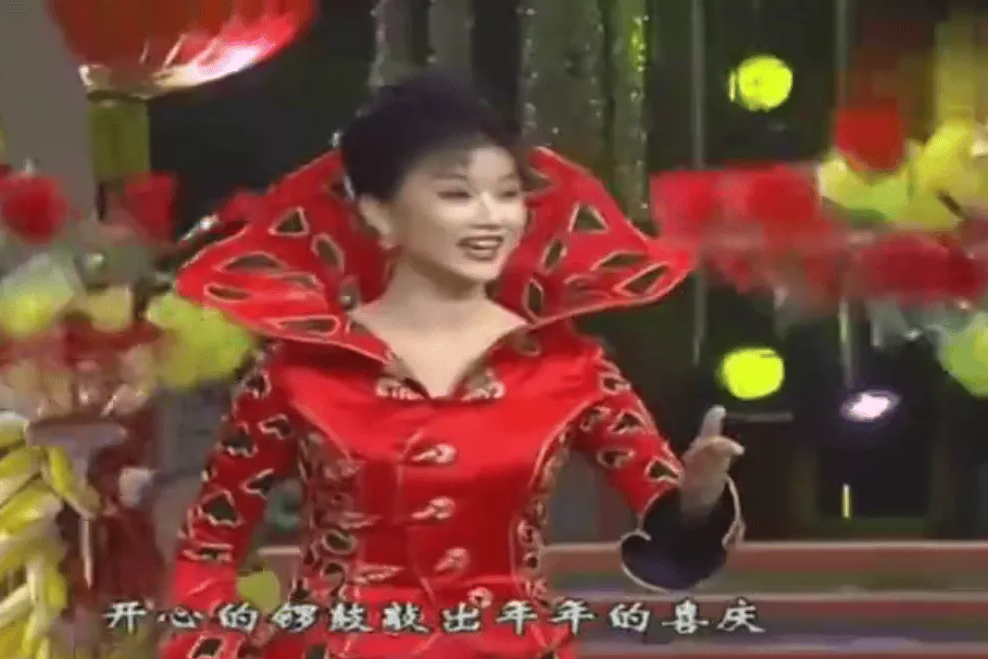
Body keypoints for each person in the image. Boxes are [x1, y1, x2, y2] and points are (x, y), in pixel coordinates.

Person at [162, 71, 745, 659]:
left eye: (508, 194)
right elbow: (209, 542)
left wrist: (696, 504)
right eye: (458, 195)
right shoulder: (298, 372)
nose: (492, 218)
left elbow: (671, 542)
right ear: (380, 215)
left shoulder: (573, 368)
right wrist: (214, 645)